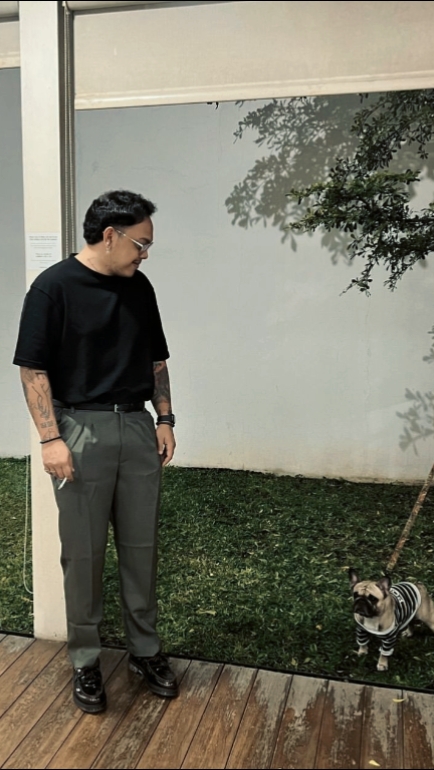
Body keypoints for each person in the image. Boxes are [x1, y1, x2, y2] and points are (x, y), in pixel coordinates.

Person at [13, 190, 178, 713]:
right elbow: (32, 369)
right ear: (110, 235)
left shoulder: (140, 288)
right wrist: (50, 439)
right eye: (140, 243)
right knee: (82, 554)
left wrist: (165, 418)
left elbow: (156, 360)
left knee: (141, 547)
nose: (145, 254)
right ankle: (85, 658)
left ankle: (144, 651)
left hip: (137, 426)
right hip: (79, 429)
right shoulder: (53, 287)